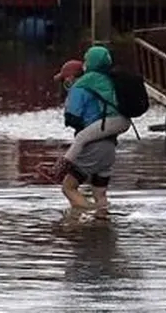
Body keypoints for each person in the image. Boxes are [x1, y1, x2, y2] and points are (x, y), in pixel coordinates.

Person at [39, 45, 131, 220]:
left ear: (70, 79)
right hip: (109, 148)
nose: (63, 85)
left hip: (93, 148)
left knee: (68, 187)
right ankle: (103, 223)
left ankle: (85, 214)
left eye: (64, 81)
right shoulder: (104, 82)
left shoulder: (79, 88)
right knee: (100, 193)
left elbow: (72, 117)